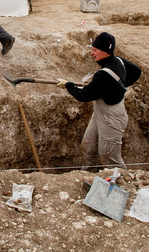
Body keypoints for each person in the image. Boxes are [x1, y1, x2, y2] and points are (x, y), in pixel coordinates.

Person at [56, 32, 141, 171]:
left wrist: (68, 85)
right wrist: (117, 87)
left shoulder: (104, 75)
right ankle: (89, 174)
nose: (91, 53)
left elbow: (83, 96)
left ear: (106, 52)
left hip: (112, 118)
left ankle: (123, 183)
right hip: (100, 113)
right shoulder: (117, 61)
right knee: (87, 146)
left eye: (95, 50)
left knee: (109, 157)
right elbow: (136, 71)